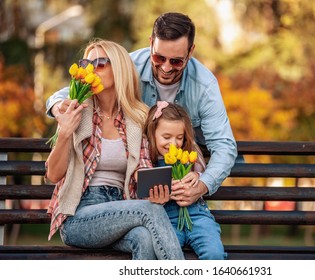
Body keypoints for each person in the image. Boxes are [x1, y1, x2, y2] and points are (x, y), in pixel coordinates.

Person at [46, 12, 237, 210]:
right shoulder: (128, 66)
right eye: (158, 57)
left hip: (182, 173)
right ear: (151, 42)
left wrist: (202, 185)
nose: (165, 67)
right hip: (137, 181)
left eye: (176, 61)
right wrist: (59, 109)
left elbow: (224, 146)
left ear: (190, 52)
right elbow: (63, 95)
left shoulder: (204, 85)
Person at [45, 39, 184, 260]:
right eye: (87, 64)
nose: (91, 69)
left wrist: (155, 189)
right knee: (150, 211)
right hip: (79, 215)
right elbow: (52, 174)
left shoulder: (138, 118)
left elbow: (143, 170)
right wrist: (64, 133)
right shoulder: (76, 110)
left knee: (144, 238)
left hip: (121, 207)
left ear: (119, 67)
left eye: (100, 63)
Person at [143, 101, 226, 260]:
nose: (173, 144)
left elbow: (202, 173)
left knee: (214, 253)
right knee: (165, 255)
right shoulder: (147, 158)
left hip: (197, 216)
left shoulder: (188, 152)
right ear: (152, 133)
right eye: (166, 137)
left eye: (179, 137)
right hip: (166, 219)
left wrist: (196, 176)